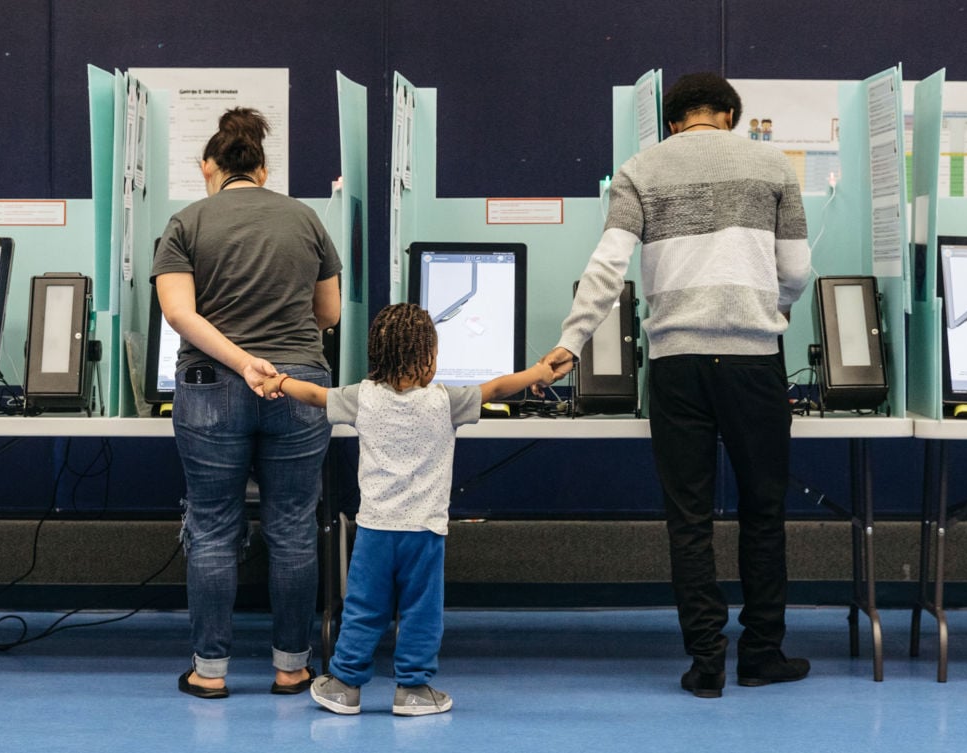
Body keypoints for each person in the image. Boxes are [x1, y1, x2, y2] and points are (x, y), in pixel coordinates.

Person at [536, 72, 812, 699]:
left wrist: (571, 342)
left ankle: (706, 662)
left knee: (688, 518)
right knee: (762, 512)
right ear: (729, 115)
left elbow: (607, 268)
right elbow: (794, 269)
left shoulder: (641, 169)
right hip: (751, 359)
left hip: (676, 363)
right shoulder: (772, 166)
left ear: (672, 120)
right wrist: (775, 310)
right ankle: (762, 652)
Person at [260, 303, 554, 716]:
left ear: (377, 356)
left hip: (376, 531)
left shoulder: (362, 398)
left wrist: (280, 380)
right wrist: (539, 373)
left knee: (363, 608)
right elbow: (499, 388)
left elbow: (314, 395)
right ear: (430, 357)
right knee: (421, 613)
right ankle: (413, 691)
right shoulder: (445, 401)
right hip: (426, 533)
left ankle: (344, 685)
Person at [152, 107, 342, 699]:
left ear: (208, 166)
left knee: (211, 528)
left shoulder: (186, 222)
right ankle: (291, 668)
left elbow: (179, 313)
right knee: (291, 526)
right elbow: (329, 314)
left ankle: (209, 672)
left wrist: (240, 361)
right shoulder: (305, 219)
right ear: (263, 169)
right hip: (299, 386)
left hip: (212, 387)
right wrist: (269, 360)